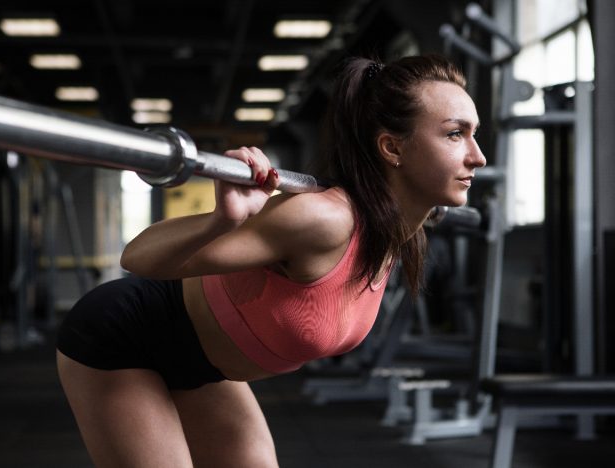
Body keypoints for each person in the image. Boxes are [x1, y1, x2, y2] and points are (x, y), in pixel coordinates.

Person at [56, 54, 486, 467]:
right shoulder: (325, 219)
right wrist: (222, 220)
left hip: (203, 365)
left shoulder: (401, 227)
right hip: (127, 337)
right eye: (454, 134)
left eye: (474, 134)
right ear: (392, 148)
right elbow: (137, 256)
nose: (477, 155)